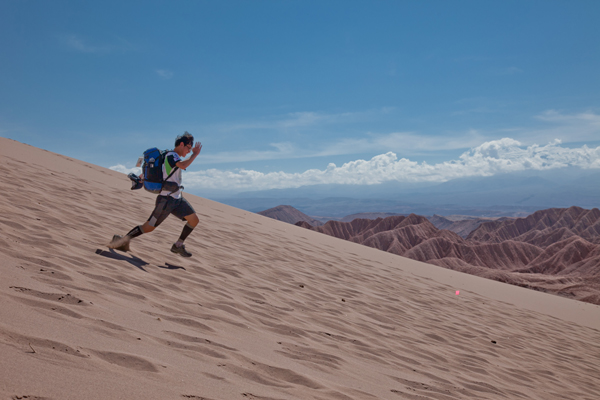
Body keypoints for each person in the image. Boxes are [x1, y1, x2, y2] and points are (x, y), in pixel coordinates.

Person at [109, 132, 202, 257]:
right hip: (166, 200)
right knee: (149, 227)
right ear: (181, 144)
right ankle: (121, 240)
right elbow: (183, 165)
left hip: (177, 198)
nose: (189, 152)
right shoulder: (171, 156)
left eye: (191, 150)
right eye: (188, 148)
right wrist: (195, 155)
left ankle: (178, 245)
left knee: (194, 220)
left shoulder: (171, 156)